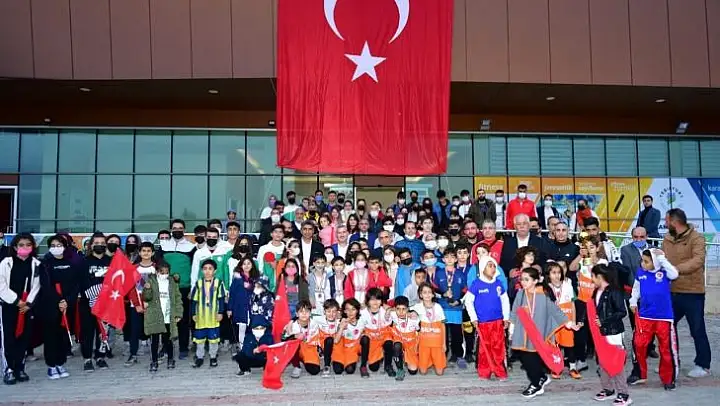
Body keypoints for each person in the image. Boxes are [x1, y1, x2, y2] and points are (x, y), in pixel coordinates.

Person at [509, 267, 571, 399]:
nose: (523, 282)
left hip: (537, 334)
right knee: (524, 358)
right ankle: (541, 377)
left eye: (527, 279)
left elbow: (555, 310)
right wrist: (511, 327)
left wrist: (568, 323)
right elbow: (514, 310)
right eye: (522, 279)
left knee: (532, 360)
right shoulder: (520, 294)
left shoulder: (542, 296)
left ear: (535, 281)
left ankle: (536, 384)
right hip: (522, 333)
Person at [663, 208, 711, 378]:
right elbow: (663, 259)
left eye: (666, 221)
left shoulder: (697, 238)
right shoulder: (667, 238)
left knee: (697, 329)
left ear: (674, 222)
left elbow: (698, 260)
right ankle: (671, 361)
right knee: (667, 328)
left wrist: (675, 269)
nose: (665, 224)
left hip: (693, 292)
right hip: (671, 291)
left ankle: (703, 364)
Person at [627, 249, 679, 389]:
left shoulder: (665, 271)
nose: (643, 264)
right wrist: (633, 301)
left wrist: (661, 259)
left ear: (655, 262)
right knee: (638, 344)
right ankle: (639, 374)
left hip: (664, 317)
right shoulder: (640, 273)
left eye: (646, 261)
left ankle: (668, 378)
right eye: (642, 261)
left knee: (666, 348)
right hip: (645, 316)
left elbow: (675, 274)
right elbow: (636, 289)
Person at [39, 234, 83, 380]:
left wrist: (67, 301)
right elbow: (46, 285)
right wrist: (58, 300)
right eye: (53, 246)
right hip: (51, 306)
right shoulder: (45, 264)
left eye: (59, 245)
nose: (56, 248)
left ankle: (60, 363)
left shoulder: (71, 263)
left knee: (63, 336)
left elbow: (76, 284)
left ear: (65, 247)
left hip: (67, 305)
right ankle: (51, 365)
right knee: (51, 336)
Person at [1, 233, 41, 385]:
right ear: (15, 247)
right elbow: (1, 285)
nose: (25, 247)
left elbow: (37, 286)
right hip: (9, 306)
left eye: (28, 245)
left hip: (26, 307)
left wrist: (28, 303)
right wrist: (16, 301)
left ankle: (20, 367)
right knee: (8, 338)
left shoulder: (36, 264)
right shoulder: (6, 263)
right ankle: (9, 369)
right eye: (21, 245)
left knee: (23, 338)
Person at [590, 264, 632, 406]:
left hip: (613, 332)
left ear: (599, 277)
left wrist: (604, 321)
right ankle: (608, 389)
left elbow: (622, 312)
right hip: (601, 333)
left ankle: (624, 393)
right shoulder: (596, 291)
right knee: (602, 361)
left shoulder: (614, 291)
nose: (592, 279)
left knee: (616, 363)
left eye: (593, 276)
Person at [464, 254, 510, 380]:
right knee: (484, 348)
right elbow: (468, 302)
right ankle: (485, 372)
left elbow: (505, 301)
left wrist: (506, 317)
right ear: (482, 268)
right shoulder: (476, 284)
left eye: (494, 266)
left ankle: (500, 371)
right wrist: (473, 318)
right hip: (483, 323)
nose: (493, 268)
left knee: (498, 347)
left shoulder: (498, 284)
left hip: (497, 322)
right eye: (490, 266)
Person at [158, 219, 196, 360]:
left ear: (184, 230)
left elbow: (195, 268)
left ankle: (183, 348)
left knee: (183, 320)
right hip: (165, 288)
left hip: (184, 288)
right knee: (166, 319)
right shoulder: (163, 246)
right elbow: (158, 266)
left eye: (180, 228)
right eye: (175, 228)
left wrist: (192, 288)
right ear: (171, 230)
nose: (177, 230)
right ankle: (165, 347)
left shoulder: (191, 247)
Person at [620, 227, 658, 359]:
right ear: (632, 237)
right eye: (636, 237)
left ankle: (650, 346)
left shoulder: (655, 250)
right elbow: (628, 271)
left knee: (651, 322)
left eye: (641, 237)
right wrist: (639, 288)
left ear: (646, 237)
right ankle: (638, 347)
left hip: (652, 294)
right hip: (632, 292)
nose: (639, 239)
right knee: (636, 323)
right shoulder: (625, 250)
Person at [142, 261, 183, 372]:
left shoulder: (172, 282)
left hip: (168, 315)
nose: (164, 274)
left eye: (166, 272)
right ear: (157, 272)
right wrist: (147, 289)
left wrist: (178, 313)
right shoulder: (151, 281)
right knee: (154, 341)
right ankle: (154, 361)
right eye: (162, 272)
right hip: (155, 316)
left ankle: (170, 359)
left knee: (168, 340)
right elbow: (146, 298)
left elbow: (178, 298)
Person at [80, 232, 112, 372]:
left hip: (106, 303)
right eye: (96, 243)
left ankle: (100, 357)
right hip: (88, 303)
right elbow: (81, 282)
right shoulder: (84, 261)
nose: (100, 245)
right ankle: (87, 359)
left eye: (102, 243)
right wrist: (93, 295)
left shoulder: (110, 261)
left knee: (103, 331)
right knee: (87, 332)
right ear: (91, 245)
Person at [545, 262, 581, 380]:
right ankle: (556, 367)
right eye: (553, 273)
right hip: (553, 321)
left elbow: (572, 304)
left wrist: (573, 320)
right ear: (548, 274)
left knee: (569, 344)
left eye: (559, 272)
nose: (557, 275)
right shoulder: (546, 288)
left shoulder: (568, 286)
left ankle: (572, 367)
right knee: (555, 345)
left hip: (567, 319)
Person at [190, 259, 227, 368]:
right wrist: (193, 313)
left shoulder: (218, 283)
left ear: (215, 271)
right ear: (202, 270)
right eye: (205, 269)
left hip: (213, 317)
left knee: (213, 339)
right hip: (201, 317)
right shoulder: (198, 283)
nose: (207, 271)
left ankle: (213, 356)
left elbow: (221, 299)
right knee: (200, 339)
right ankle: (199, 357)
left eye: (210, 269)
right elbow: (194, 300)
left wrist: (220, 312)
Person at [434, 249, 467, 369]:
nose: (449, 259)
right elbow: (434, 289)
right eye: (447, 257)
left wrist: (459, 301)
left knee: (456, 333)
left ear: (456, 259)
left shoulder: (460, 273)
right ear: (443, 259)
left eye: (452, 257)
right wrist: (443, 294)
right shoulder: (439, 273)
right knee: (443, 333)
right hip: (443, 307)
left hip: (456, 308)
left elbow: (465, 290)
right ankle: (443, 354)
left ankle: (458, 355)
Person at [412, 282, 446, 375]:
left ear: (433, 294)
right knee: (423, 372)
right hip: (424, 343)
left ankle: (434, 361)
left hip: (437, 343)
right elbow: (404, 310)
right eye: (424, 292)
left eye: (429, 292)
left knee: (440, 373)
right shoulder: (417, 307)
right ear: (420, 295)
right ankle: (428, 361)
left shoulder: (438, 307)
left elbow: (443, 325)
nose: (427, 295)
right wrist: (389, 309)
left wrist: (444, 343)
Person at [358, 288, 394, 377]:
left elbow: (396, 312)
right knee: (374, 368)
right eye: (372, 299)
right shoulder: (362, 312)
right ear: (367, 301)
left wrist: (389, 309)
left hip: (383, 335)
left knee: (389, 341)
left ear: (381, 301)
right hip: (371, 339)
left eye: (378, 299)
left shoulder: (385, 310)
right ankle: (363, 365)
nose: (375, 302)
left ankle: (388, 365)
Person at [227, 258, 259, 352]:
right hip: (240, 308)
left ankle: (253, 348)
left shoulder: (256, 278)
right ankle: (242, 349)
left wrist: (250, 286)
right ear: (241, 266)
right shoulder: (237, 279)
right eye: (244, 264)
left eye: (248, 263)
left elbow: (260, 292)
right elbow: (232, 294)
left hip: (253, 308)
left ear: (252, 265)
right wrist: (229, 308)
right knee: (242, 328)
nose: (246, 265)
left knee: (254, 329)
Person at [284, 300, 322, 378]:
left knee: (314, 371)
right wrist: (294, 335)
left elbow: (328, 318)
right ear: (297, 314)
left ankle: (306, 361)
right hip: (298, 350)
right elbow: (283, 339)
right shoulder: (292, 325)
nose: (304, 314)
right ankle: (297, 366)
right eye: (301, 311)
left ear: (310, 313)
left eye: (307, 311)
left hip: (309, 349)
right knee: (292, 342)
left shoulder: (315, 322)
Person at [332, 298, 365, 375]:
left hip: (352, 350)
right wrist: (341, 327)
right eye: (348, 309)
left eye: (353, 309)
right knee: (338, 371)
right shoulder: (341, 321)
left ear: (357, 310)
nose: (350, 312)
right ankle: (334, 361)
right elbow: (336, 341)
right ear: (344, 311)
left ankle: (363, 364)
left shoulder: (361, 321)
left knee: (350, 370)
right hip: (340, 349)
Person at [256, 224, 286, 292]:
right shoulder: (263, 248)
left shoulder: (286, 249)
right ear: (271, 234)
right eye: (275, 232)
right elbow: (260, 266)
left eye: (280, 232)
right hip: (266, 283)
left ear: (283, 235)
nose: (278, 234)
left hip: (283, 283)